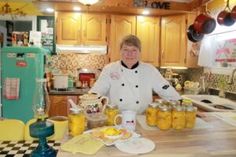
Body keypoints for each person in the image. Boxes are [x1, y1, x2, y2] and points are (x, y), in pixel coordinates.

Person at [89, 34, 181, 114]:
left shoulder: (149, 70)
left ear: (139, 52)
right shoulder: (110, 69)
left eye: (134, 50)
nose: (130, 54)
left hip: (141, 118)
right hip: (115, 117)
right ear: (120, 51)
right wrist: (88, 100)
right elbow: (98, 90)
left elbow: (165, 88)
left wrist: (180, 102)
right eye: (126, 50)